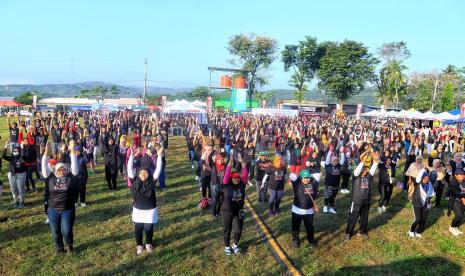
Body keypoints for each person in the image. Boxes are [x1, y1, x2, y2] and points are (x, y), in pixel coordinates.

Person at [42, 140, 79, 254]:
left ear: (66, 170)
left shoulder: (70, 178)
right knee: (55, 231)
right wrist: (46, 151)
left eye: (63, 169)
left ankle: (70, 246)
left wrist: (72, 149)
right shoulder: (50, 178)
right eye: (59, 169)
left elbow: (74, 165)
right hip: (53, 209)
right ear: (55, 171)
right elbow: (44, 166)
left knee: (67, 230)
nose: (61, 171)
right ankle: (59, 247)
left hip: (67, 209)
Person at [127, 146, 163, 255]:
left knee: (148, 227)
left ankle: (148, 243)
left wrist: (160, 156)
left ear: (148, 174)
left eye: (145, 173)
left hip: (150, 210)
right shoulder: (134, 181)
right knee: (138, 228)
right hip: (138, 209)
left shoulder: (152, 181)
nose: (143, 174)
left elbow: (158, 170)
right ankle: (139, 245)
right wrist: (132, 155)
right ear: (138, 173)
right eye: (141, 173)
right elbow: (129, 169)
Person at [345, 151, 379, 241]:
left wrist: (375, 160)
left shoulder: (368, 176)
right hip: (356, 201)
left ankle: (362, 231)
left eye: (366, 169)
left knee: (364, 218)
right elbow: (357, 170)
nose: (366, 170)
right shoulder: (356, 176)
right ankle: (348, 233)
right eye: (364, 169)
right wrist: (363, 161)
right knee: (353, 217)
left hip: (366, 201)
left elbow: (374, 167)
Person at [221, 152, 248, 255]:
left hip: (239, 211)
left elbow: (245, 173)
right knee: (227, 229)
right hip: (226, 211)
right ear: (231, 178)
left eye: (238, 177)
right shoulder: (226, 184)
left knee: (239, 229)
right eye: (234, 177)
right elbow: (227, 173)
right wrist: (230, 162)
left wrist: (242, 162)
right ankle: (227, 246)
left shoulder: (242, 183)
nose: (237, 179)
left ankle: (235, 244)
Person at [289, 169, 319, 247]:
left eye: (308, 177)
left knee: (309, 226)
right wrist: (299, 174)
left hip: (309, 211)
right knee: (295, 226)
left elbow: (318, 173)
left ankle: (311, 240)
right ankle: (295, 240)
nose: (306, 179)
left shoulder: (314, 182)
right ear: (300, 177)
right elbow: (291, 174)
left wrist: (310, 173)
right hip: (297, 210)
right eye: (304, 177)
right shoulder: (297, 183)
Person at [408, 168, 435, 238]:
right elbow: (418, 177)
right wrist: (423, 169)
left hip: (426, 204)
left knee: (424, 219)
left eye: (427, 178)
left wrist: (429, 203)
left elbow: (434, 175)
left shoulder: (430, 185)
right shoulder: (417, 184)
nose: (426, 179)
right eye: (424, 178)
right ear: (422, 178)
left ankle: (419, 232)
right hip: (417, 203)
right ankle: (411, 231)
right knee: (418, 219)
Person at [3, 142, 27, 208]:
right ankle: (16, 201)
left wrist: (22, 147)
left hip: (21, 174)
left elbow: (24, 157)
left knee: (20, 189)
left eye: (16, 150)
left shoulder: (22, 157)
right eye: (14, 150)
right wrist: (6, 147)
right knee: (13, 189)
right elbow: (3, 156)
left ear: (19, 150)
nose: (15, 151)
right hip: (12, 174)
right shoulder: (11, 157)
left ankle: (21, 202)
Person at [447, 169, 465, 236]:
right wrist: (463, 197)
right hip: (455, 200)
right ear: (455, 175)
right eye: (460, 175)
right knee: (459, 215)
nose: (462, 176)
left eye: (463, 174)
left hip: (462, 201)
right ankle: (451, 227)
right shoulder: (453, 183)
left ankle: (455, 227)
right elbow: (456, 193)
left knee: (461, 216)